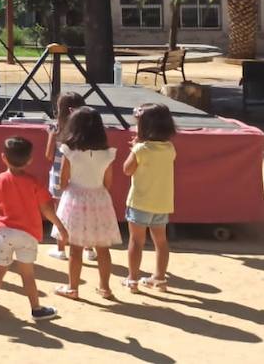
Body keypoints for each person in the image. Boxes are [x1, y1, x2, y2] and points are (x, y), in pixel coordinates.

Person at [0, 136, 67, 321]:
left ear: (4, 157)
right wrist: (60, 226)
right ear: (30, 160)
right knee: (27, 275)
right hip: (28, 234)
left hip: (3, 233)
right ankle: (36, 308)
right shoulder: (35, 183)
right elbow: (46, 209)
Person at [54, 107, 121, 300]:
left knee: (75, 248)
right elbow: (108, 183)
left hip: (74, 199)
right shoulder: (108, 154)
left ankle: (72, 288)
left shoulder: (69, 152)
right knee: (102, 247)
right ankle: (105, 288)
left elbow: (62, 181)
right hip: (99, 200)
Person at [123, 103, 177, 292]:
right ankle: (160, 278)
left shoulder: (141, 149)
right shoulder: (170, 148)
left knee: (136, 241)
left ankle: (132, 279)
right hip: (162, 204)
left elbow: (127, 169)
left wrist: (134, 148)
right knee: (161, 242)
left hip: (139, 203)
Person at [46, 91, 84, 259]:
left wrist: (50, 136)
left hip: (58, 175)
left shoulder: (56, 128)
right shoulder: (85, 129)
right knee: (83, 212)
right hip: (80, 176)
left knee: (59, 211)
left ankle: (61, 249)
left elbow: (49, 155)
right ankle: (88, 248)